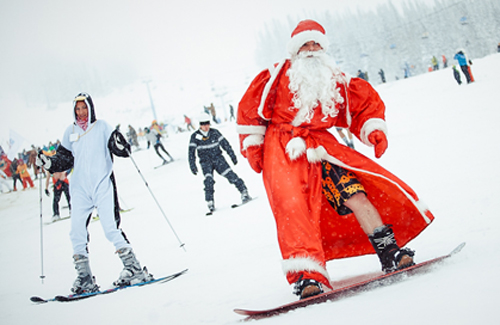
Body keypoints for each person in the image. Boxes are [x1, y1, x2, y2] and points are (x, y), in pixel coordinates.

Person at [237, 20, 434, 300]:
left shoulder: (335, 78)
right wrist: (253, 147)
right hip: (283, 150)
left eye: (316, 43)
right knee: (293, 208)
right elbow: (249, 112)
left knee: (357, 195)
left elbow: (361, 104)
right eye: (305, 43)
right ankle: (307, 276)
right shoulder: (273, 76)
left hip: (322, 145)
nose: (312, 48)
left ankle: (390, 252)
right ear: (295, 48)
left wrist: (373, 129)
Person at [36, 92, 152, 294]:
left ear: (90, 108)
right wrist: (48, 162)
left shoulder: (102, 127)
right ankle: (85, 278)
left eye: (84, 108)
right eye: (78, 109)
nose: (81, 112)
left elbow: (121, 149)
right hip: (79, 188)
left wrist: (122, 146)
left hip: (102, 184)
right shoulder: (69, 132)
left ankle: (134, 269)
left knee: (110, 228)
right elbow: (63, 159)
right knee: (76, 232)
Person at [189, 114, 251, 213]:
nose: (206, 126)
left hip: (218, 159)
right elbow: (191, 152)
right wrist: (192, 164)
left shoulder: (215, 133)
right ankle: (210, 201)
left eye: (207, 124)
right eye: (203, 124)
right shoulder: (195, 136)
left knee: (231, 176)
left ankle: (244, 192)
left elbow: (225, 144)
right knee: (208, 180)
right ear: (200, 125)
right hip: (206, 162)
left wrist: (232, 155)